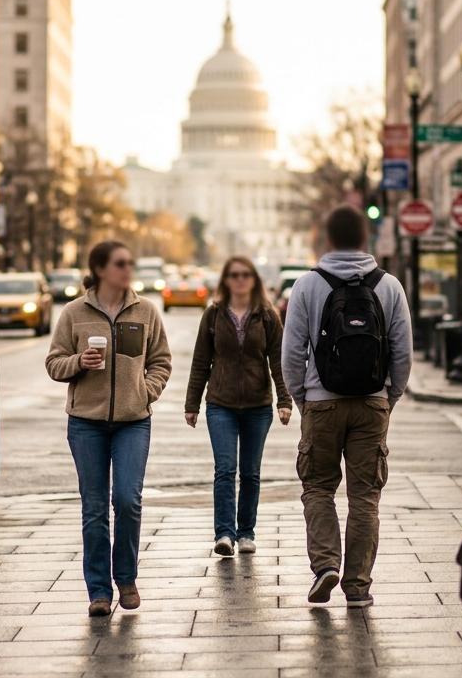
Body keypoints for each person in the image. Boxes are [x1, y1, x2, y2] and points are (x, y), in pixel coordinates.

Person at [281, 205, 412, 608]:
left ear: (327, 239)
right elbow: (402, 352)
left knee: (318, 487)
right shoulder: (388, 285)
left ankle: (325, 565)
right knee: (365, 496)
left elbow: (292, 352)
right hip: (372, 404)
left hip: (322, 403)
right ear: (365, 239)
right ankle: (357, 585)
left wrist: (302, 397)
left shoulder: (307, 285)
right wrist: (389, 397)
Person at [45, 240, 172, 618]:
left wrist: (145, 391)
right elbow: (53, 363)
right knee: (95, 508)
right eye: (120, 263)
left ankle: (127, 578)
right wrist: (78, 362)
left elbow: (161, 360)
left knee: (129, 500)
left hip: (133, 423)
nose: (127, 269)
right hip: (86, 424)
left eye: (130, 262)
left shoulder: (145, 311)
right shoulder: (73, 313)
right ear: (101, 269)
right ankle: (99, 591)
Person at [184, 256, 293, 557]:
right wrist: (191, 403)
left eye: (246, 275)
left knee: (251, 472)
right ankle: (224, 534)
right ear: (226, 280)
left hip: (259, 406)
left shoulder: (268, 316)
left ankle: (246, 533)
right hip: (221, 404)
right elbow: (199, 363)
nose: (240, 280)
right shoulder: (214, 315)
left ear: (254, 280)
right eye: (234, 275)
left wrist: (285, 400)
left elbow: (279, 362)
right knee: (225, 469)